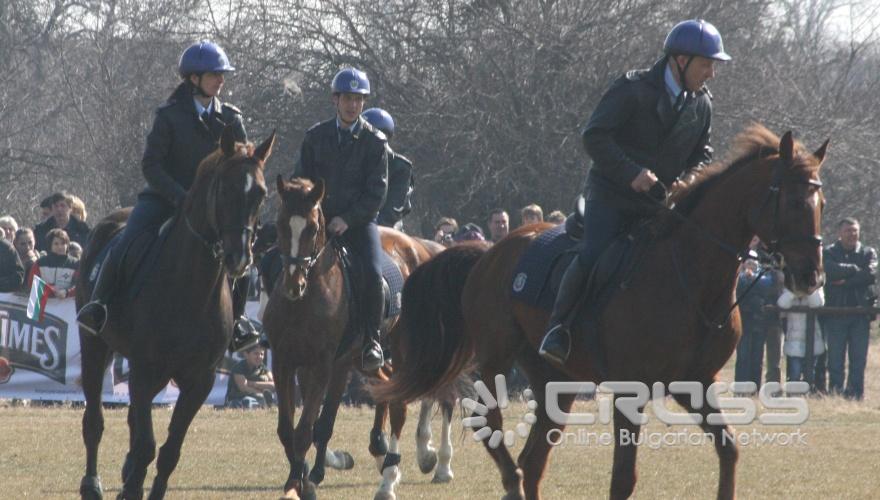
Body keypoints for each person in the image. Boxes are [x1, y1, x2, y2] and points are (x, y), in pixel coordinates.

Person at [539, 19, 731, 364]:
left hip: (659, 205)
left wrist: (690, 178)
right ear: (681, 60)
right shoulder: (631, 89)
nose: (711, 74)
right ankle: (559, 329)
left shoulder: (702, 104)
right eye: (707, 65)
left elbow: (703, 153)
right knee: (594, 253)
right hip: (612, 197)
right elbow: (594, 136)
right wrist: (631, 173)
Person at [76, 41, 260, 353]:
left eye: (222, 74)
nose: (221, 80)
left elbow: (243, 166)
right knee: (126, 239)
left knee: (242, 253)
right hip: (165, 197)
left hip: (214, 208)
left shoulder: (231, 118)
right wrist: (181, 196)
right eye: (215, 74)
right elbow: (151, 165)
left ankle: (238, 322)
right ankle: (99, 305)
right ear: (194, 78)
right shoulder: (170, 115)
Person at [293, 67, 389, 370]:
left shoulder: (375, 142)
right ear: (336, 100)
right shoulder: (315, 137)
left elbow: (377, 193)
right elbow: (299, 181)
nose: (352, 105)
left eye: (358, 99)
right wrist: (317, 215)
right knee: (281, 258)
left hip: (358, 224)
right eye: (347, 98)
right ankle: (275, 330)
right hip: (317, 221)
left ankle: (372, 342)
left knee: (374, 273)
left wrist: (347, 219)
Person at [823, 218, 876, 400]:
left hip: (860, 313)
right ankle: (836, 393)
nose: (852, 234)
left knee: (858, 358)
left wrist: (845, 282)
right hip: (836, 312)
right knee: (835, 358)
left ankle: (855, 394)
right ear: (839, 233)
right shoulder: (829, 252)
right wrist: (854, 269)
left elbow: (870, 275)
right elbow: (829, 271)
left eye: (855, 231)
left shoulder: (868, 252)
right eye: (848, 231)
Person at [362, 108, 414, 231]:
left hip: (386, 228)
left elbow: (393, 209)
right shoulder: (356, 162)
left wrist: (370, 227)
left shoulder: (401, 167)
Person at [733, 259, 777, 388]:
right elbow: (740, 285)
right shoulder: (739, 278)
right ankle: (741, 388)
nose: (750, 267)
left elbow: (767, 284)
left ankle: (754, 388)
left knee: (757, 358)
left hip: (759, 320)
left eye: (753, 264)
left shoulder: (764, 277)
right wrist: (749, 279)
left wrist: (752, 278)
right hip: (744, 321)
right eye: (748, 264)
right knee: (743, 357)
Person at [778, 287, 825, 383]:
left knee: (810, 373)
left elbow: (816, 303)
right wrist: (794, 292)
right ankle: (794, 395)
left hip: (813, 340)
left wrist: (809, 290)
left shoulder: (816, 288)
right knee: (795, 373)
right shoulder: (789, 287)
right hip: (794, 341)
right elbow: (782, 304)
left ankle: (808, 394)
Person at [27, 228, 78, 299]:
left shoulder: (75, 264)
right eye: (56, 244)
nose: (60, 247)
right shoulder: (40, 263)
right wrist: (49, 291)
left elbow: (80, 285)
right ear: (50, 245)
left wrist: (67, 292)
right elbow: (32, 284)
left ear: (67, 245)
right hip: (44, 303)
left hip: (66, 305)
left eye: (63, 243)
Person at [225, 344, 275, 409]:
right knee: (247, 401)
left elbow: (274, 385)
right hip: (238, 399)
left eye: (262, 354)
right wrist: (262, 393)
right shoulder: (238, 367)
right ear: (246, 354)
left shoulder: (263, 368)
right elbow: (243, 388)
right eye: (256, 354)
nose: (259, 357)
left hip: (258, 398)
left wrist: (252, 383)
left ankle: (263, 405)